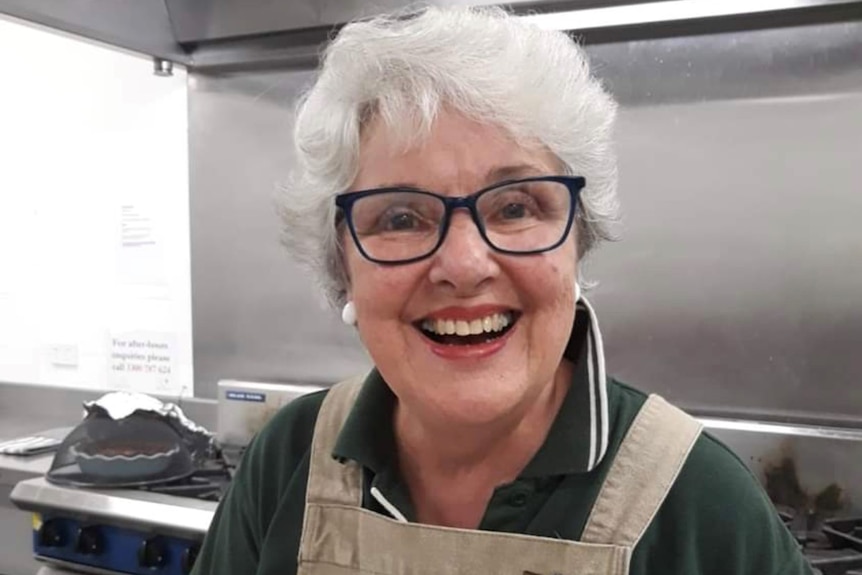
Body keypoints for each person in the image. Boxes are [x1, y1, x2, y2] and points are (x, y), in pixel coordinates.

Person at [192, 6, 812, 575]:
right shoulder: (290, 461)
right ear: (341, 261)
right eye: (401, 218)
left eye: (516, 206)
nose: (463, 265)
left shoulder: (701, 504)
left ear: (578, 239)